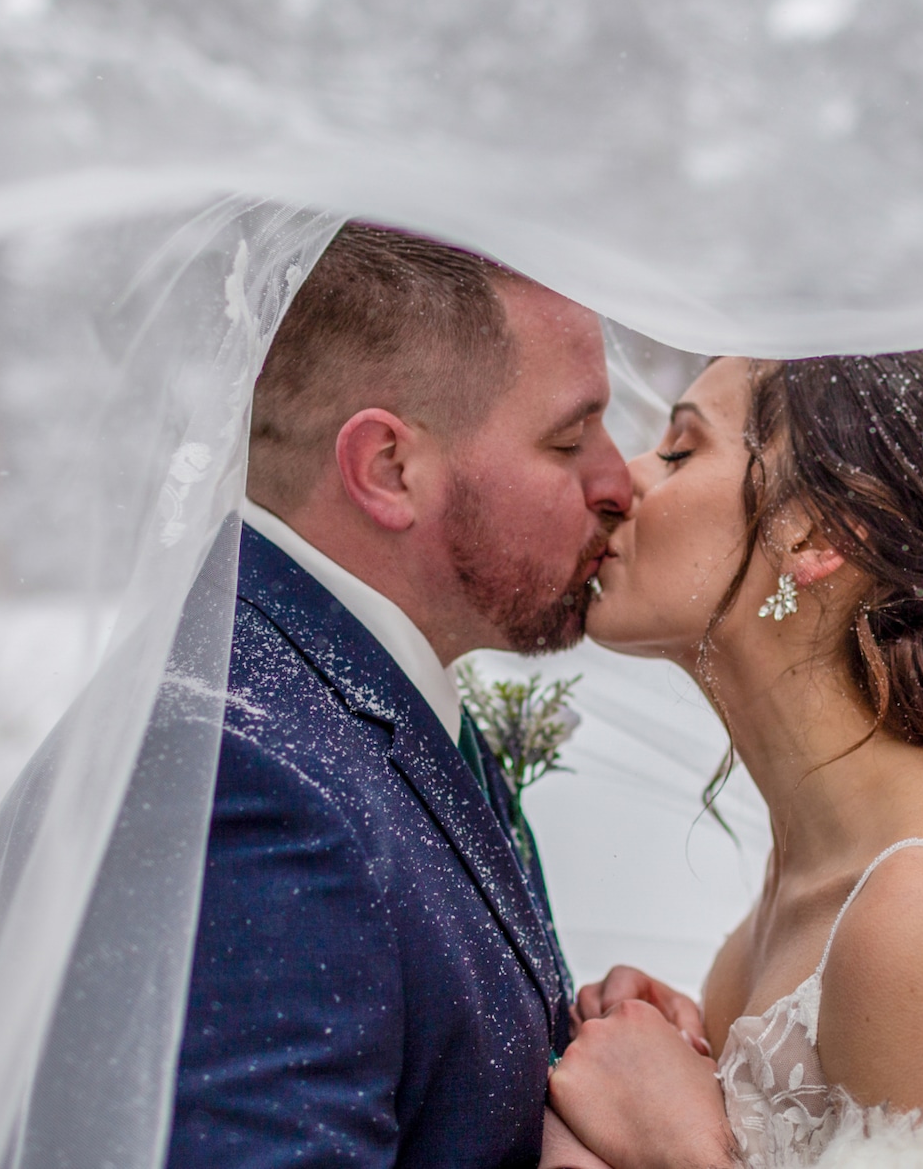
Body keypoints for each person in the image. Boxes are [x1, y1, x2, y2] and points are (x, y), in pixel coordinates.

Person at [546, 351, 923, 1169]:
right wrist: (681, 1062)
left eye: (679, 451)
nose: (620, 482)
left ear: (817, 537)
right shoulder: (802, 893)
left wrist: (674, 1144)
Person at [165, 221, 636, 1168]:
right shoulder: (254, 787)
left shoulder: (331, 688)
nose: (620, 480)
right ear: (388, 468)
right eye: (570, 437)